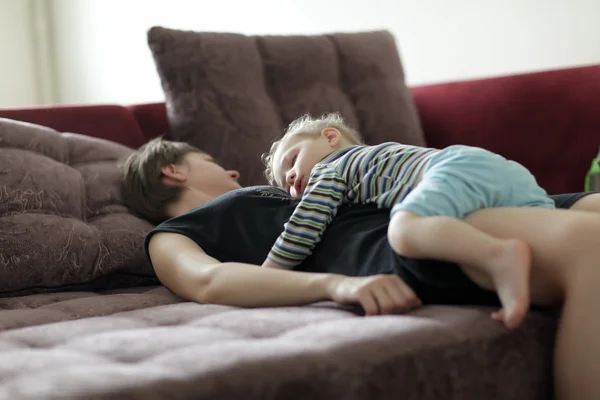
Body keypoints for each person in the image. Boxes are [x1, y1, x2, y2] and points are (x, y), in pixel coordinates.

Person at [120, 137, 600, 400]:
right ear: (173, 171)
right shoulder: (173, 236)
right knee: (591, 248)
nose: (232, 173)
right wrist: (336, 284)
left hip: (440, 200)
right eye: (210, 159)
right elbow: (209, 281)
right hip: (407, 239)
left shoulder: (306, 179)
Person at [261, 113, 554, 329]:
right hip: (501, 170)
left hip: (450, 167)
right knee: (554, 234)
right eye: (284, 184)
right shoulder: (375, 159)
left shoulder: (330, 167)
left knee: (403, 230)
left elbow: (303, 229)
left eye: (292, 159)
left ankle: (497, 255)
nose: (289, 178)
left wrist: (267, 274)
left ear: (330, 137)